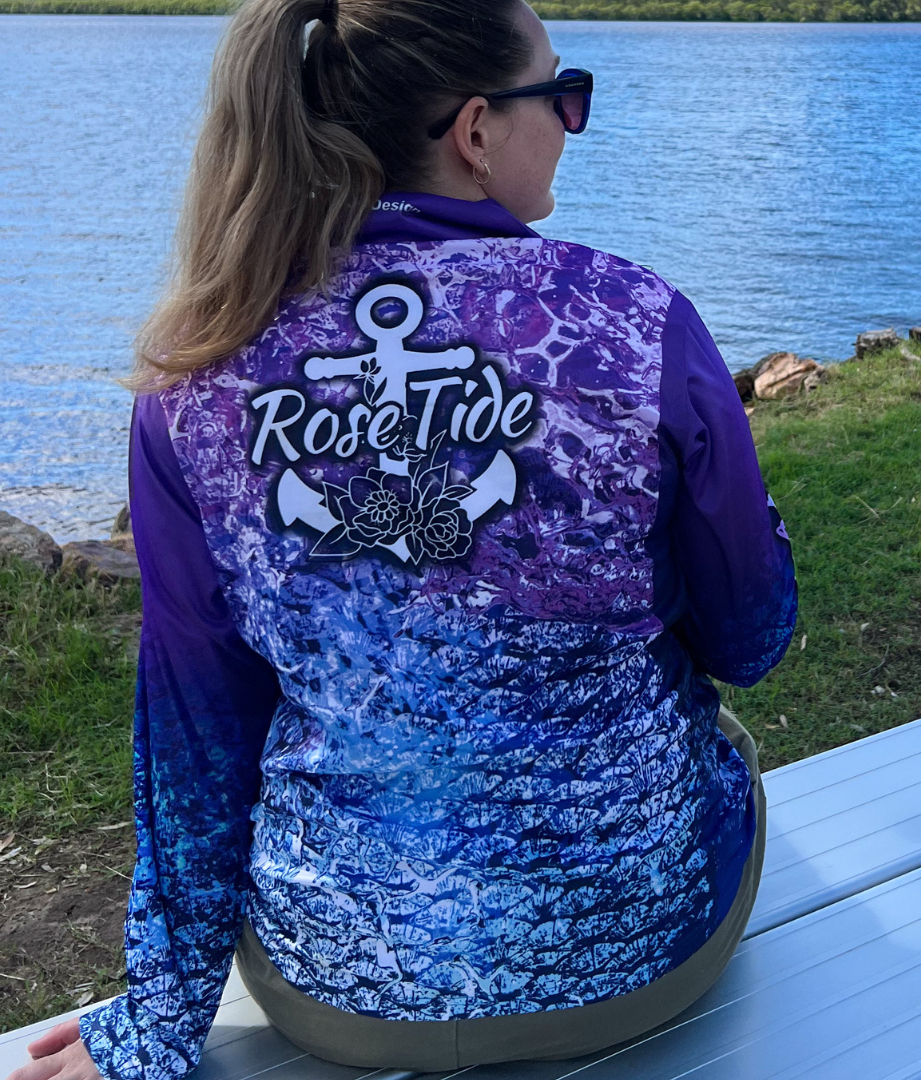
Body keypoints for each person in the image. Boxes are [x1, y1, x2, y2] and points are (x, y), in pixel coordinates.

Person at [8, 0, 796, 1077]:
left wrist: (154, 1025)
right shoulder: (635, 321)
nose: (572, 119)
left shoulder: (194, 389)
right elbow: (753, 639)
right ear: (476, 130)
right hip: (644, 960)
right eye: (561, 95)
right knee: (730, 757)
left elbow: (195, 737)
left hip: (336, 991)